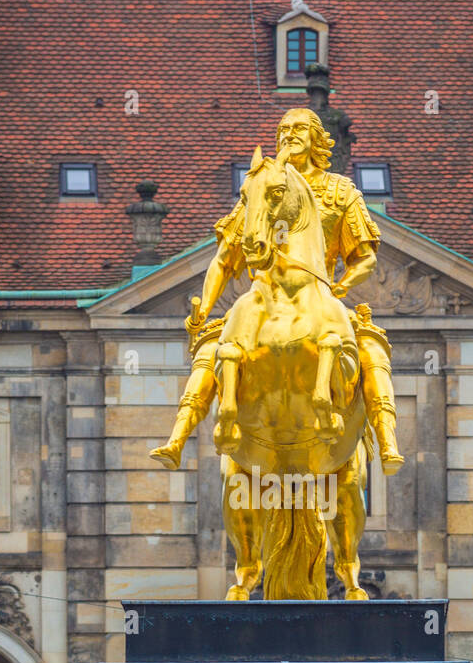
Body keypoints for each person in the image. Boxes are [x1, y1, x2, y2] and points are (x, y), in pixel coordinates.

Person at [150, 108, 402, 475]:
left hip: (320, 295)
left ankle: (386, 440)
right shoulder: (260, 185)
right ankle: (177, 438)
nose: (289, 134)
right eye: (283, 129)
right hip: (263, 297)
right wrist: (203, 308)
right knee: (213, 346)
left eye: (298, 128)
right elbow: (224, 257)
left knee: (371, 349)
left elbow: (365, 258)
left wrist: (339, 286)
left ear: (316, 138)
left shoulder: (340, 190)